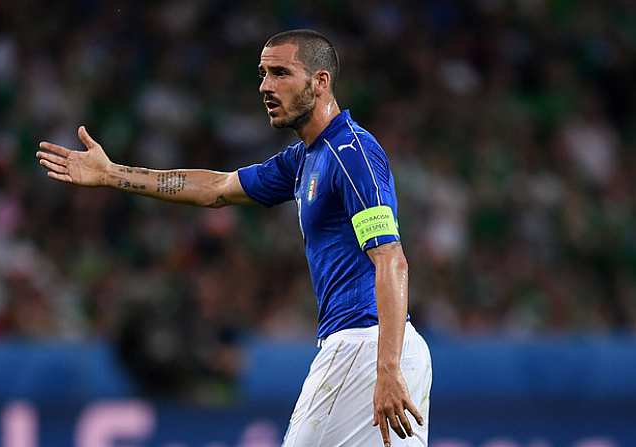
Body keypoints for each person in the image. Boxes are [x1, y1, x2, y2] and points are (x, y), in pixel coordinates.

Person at [36, 29, 432, 447]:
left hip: (365, 345)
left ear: (320, 82)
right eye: (263, 74)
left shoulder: (350, 153)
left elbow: (391, 258)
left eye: (281, 73)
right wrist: (114, 174)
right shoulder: (305, 159)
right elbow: (217, 188)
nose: (265, 86)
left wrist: (386, 367)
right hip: (381, 350)